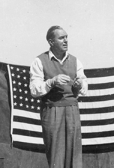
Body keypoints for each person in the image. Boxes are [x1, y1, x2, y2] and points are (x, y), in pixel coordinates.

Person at [29, 26, 88, 168]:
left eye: (66, 37)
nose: (66, 40)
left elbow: (83, 87)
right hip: (52, 110)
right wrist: (51, 82)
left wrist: (79, 85)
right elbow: (34, 90)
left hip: (72, 110)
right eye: (61, 38)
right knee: (56, 153)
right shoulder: (39, 61)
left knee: (74, 152)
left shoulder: (75, 61)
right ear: (51, 42)